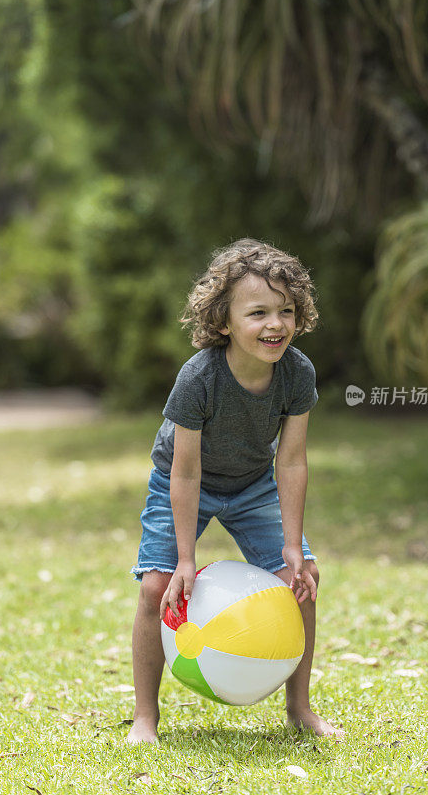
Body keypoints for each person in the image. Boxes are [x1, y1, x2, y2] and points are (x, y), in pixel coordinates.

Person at [127, 238, 344, 744]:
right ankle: (145, 717)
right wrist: (185, 559)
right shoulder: (199, 377)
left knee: (302, 579)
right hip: (185, 482)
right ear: (224, 322)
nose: (276, 324)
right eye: (259, 312)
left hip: (252, 485)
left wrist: (293, 545)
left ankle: (300, 708)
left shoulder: (297, 373)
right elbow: (184, 473)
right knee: (156, 587)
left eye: (286, 310)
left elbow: (290, 460)